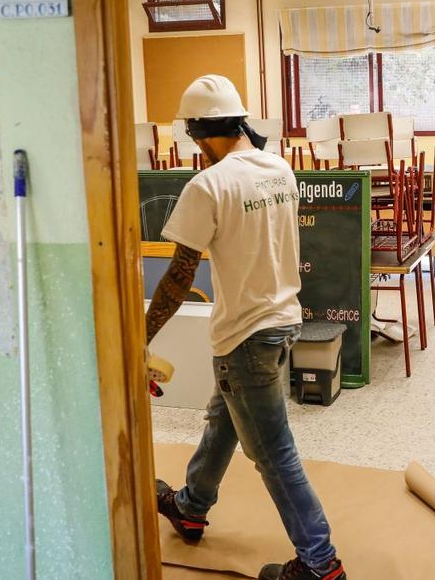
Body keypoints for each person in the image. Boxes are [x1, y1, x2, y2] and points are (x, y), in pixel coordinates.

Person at [146, 75, 347, 580]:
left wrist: (138, 336)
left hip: (245, 338)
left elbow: (179, 275)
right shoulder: (278, 168)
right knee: (226, 419)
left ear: (200, 133)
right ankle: (191, 506)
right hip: (282, 324)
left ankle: (320, 564)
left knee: (274, 455)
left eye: (194, 140)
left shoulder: (209, 184)